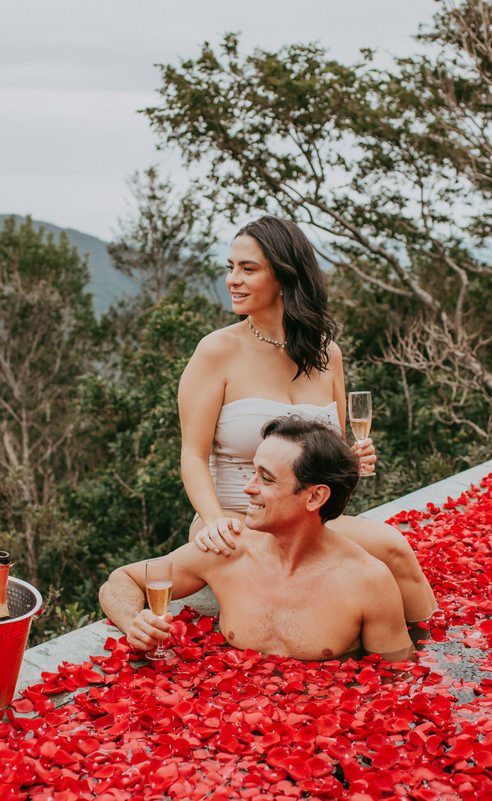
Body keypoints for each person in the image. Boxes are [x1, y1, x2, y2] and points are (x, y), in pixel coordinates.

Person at [177, 215, 437, 631]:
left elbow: (326, 457)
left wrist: (351, 458)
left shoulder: (325, 353)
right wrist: (211, 520)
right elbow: (192, 454)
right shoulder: (216, 351)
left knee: (394, 547)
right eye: (230, 268)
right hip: (236, 517)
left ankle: (430, 651)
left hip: (309, 523)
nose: (233, 280)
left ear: (283, 276)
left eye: (248, 269)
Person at [100, 417, 413, 661]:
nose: (248, 488)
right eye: (253, 473)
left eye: (266, 478)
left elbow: (397, 684)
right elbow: (120, 580)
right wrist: (134, 623)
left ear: (315, 496)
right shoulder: (227, 551)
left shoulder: (368, 582)